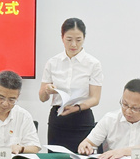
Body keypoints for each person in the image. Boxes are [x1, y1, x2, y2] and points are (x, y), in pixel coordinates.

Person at [39, 18, 103, 150]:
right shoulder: (53, 62)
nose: (74, 44)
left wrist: (77, 108)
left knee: (83, 158)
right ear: (62, 37)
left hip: (82, 118)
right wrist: (47, 90)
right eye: (69, 39)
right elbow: (42, 98)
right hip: (58, 119)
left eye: (78, 40)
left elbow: (95, 98)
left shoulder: (93, 64)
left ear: (84, 38)